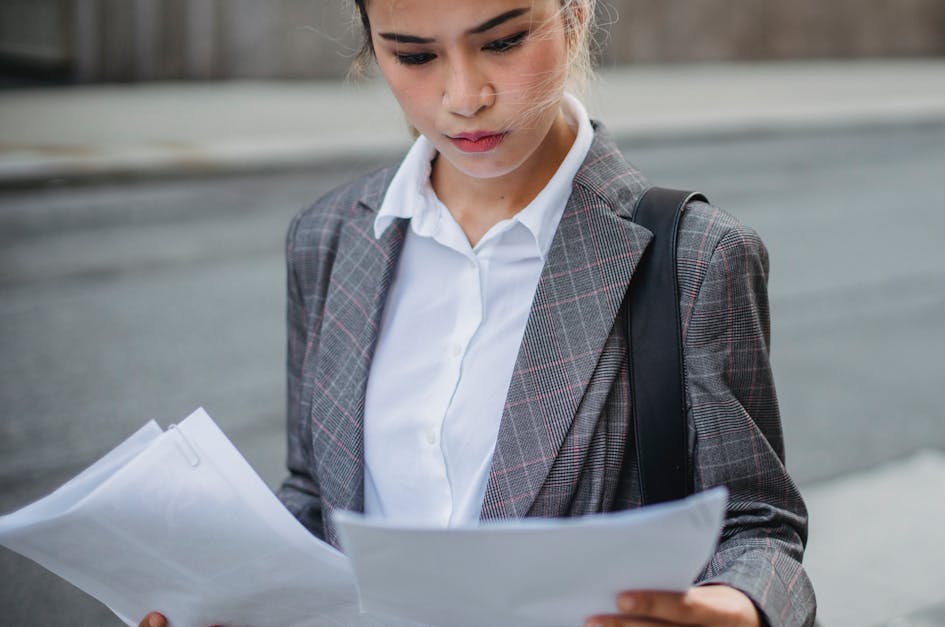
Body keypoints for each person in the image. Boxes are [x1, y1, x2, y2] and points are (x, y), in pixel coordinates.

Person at [140, 1, 815, 625]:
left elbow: (758, 523)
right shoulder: (327, 237)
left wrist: (737, 607)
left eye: (503, 41)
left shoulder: (695, 255)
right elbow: (318, 494)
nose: (465, 97)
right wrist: (230, 594)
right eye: (413, 55)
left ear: (574, 15)